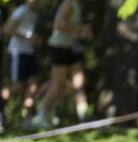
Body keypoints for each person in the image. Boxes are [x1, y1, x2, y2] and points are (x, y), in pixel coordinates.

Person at [32, 0, 91, 129]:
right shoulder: (68, 3)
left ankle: (83, 117)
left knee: (79, 83)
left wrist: (82, 33)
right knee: (57, 85)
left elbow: (69, 29)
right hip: (59, 47)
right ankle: (41, 113)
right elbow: (59, 25)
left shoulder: (76, 5)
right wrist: (80, 29)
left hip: (70, 48)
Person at [1, 0, 40, 132]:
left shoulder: (34, 13)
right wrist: (26, 37)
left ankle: (27, 119)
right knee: (17, 86)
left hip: (29, 52)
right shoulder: (21, 11)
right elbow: (6, 29)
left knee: (33, 86)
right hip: (18, 52)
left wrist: (34, 39)